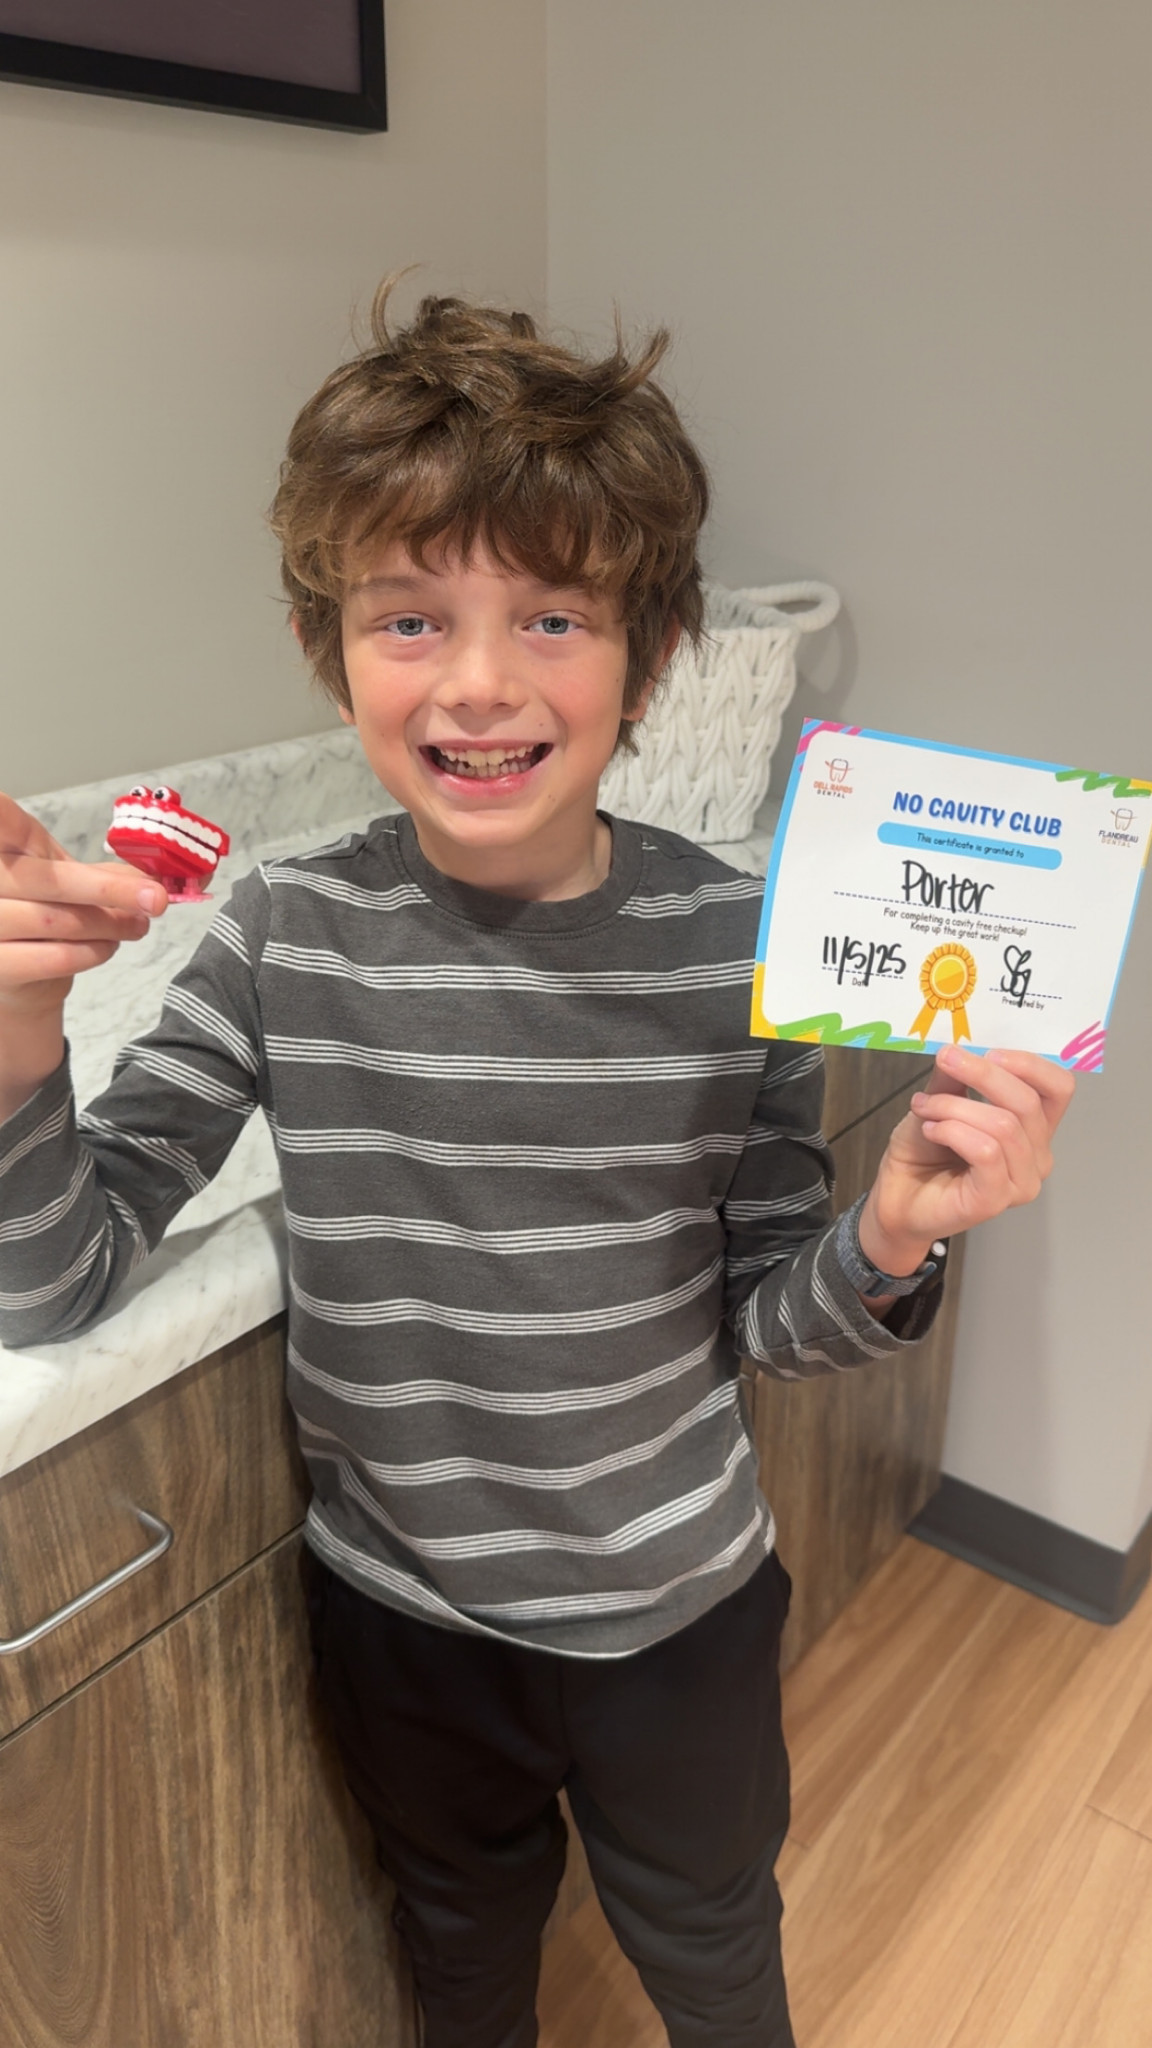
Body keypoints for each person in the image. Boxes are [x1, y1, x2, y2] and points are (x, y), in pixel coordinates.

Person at [0, 286, 1073, 2048]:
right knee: (461, 1953)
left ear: (650, 657)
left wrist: (891, 1235)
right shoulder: (279, 932)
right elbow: (53, 1285)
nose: (480, 681)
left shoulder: (741, 947)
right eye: (409, 616)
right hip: (402, 1622)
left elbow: (773, 1318)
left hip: (678, 1616)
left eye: (554, 616)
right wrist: (22, 1043)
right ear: (331, 648)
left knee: (715, 1951)